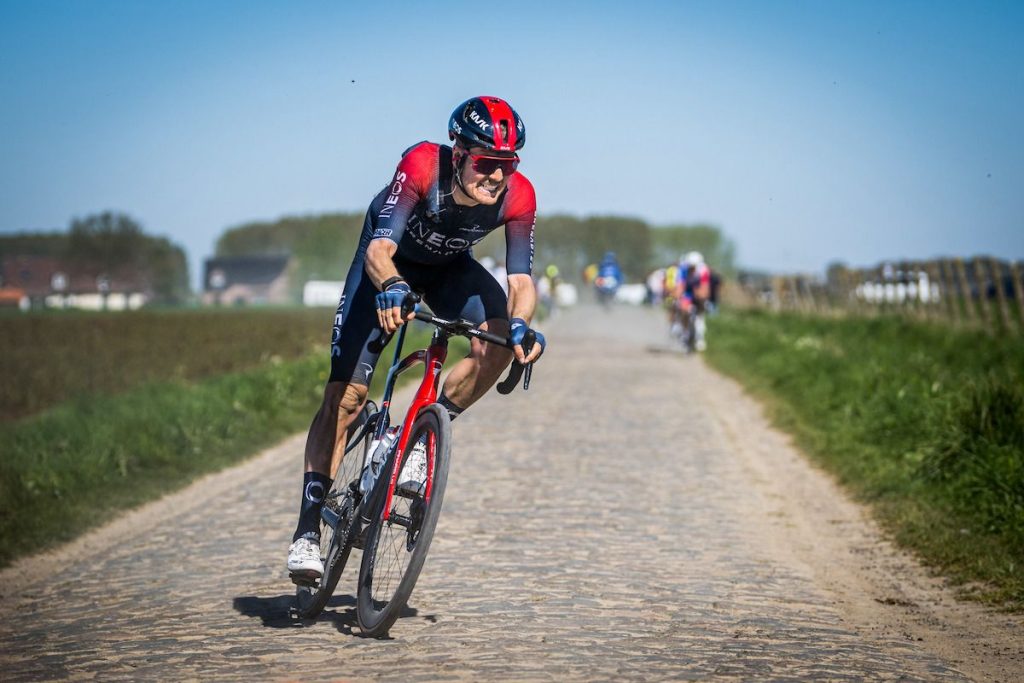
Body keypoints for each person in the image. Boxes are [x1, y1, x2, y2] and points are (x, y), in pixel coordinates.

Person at [287, 96, 547, 581]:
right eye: (487, 162)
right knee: (346, 398)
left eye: (507, 165)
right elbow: (381, 250)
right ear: (460, 151)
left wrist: (519, 326)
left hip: (450, 271)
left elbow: (521, 284)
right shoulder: (423, 165)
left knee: (496, 343)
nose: (496, 176)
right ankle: (307, 531)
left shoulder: (520, 195)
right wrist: (391, 287)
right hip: (387, 270)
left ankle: (423, 437)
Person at [675, 251, 712, 351]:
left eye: (694, 267)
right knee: (683, 309)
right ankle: (685, 331)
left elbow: (705, 290)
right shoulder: (683, 269)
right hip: (687, 293)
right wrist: (678, 298)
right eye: (690, 266)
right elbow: (680, 286)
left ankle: (699, 336)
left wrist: (700, 297)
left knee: (700, 310)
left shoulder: (703, 270)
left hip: (699, 291)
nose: (692, 269)